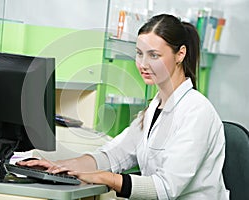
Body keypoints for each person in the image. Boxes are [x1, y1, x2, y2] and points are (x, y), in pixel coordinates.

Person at [18, 14, 229, 199]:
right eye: (139, 53)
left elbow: (165, 189)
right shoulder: (154, 109)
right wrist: (62, 167)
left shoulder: (197, 112)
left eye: (154, 55)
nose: (143, 64)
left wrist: (105, 178)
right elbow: (113, 155)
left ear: (180, 54)